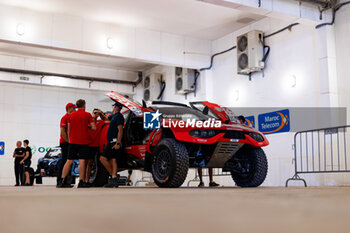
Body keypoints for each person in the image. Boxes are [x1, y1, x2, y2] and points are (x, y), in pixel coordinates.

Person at [58, 99, 96, 188]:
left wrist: (70, 139)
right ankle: (81, 182)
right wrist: (87, 126)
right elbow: (94, 128)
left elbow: (68, 129)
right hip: (83, 141)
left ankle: (62, 180)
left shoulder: (70, 115)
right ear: (84, 105)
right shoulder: (87, 115)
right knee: (82, 161)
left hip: (72, 141)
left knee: (68, 161)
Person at [100, 102, 124, 188]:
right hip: (111, 142)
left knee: (102, 158)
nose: (112, 107)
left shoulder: (119, 116)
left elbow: (120, 130)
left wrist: (118, 143)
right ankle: (114, 178)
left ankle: (114, 177)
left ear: (116, 107)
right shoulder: (114, 116)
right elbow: (106, 118)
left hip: (114, 142)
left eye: (114, 106)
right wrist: (100, 112)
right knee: (112, 160)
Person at [85, 109, 108, 185]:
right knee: (86, 163)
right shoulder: (88, 122)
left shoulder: (100, 122)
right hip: (87, 145)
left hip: (95, 146)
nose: (95, 114)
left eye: (96, 114)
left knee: (91, 163)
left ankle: (88, 180)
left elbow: (108, 121)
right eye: (94, 113)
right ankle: (85, 180)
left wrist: (101, 113)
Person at [56, 103, 76, 187]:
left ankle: (66, 182)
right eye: (73, 108)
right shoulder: (64, 118)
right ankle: (59, 181)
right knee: (64, 161)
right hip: (65, 143)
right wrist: (68, 141)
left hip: (70, 142)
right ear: (69, 108)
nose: (75, 110)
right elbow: (63, 132)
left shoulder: (71, 118)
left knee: (69, 162)